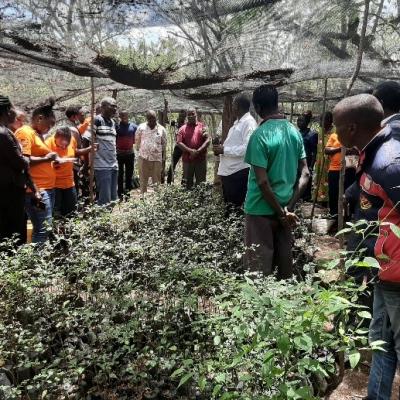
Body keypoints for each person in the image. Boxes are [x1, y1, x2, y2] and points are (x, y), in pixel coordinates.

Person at [334, 93, 400, 400]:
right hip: (383, 270)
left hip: (396, 273)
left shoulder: (388, 163)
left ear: (351, 128)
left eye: (336, 126)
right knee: (380, 343)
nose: (334, 134)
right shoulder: (374, 154)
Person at [244, 85, 310, 278]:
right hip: (285, 211)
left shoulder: (259, 135)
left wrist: (281, 213)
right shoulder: (293, 132)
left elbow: (263, 183)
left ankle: (258, 307)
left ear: (257, 107)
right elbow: (305, 174)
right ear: (276, 103)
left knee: (258, 270)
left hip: (259, 211)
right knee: (284, 268)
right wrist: (287, 208)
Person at [16, 98, 58, 243]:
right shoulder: (25, 133)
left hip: (46, 189)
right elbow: (23, 161)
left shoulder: (36, 134)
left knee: (45, 228)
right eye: (50, 124)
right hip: (36, 193)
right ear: (40, 118)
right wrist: (47, 159)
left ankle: (40, 260)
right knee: (42, 229)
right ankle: (36, 263)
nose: (50, 128)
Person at [213, 94, 257, 210]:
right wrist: (221, 149)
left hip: (238, 173)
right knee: (229, 207)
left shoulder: (249, 123)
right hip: (230, 172)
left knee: (235, 209)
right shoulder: (238, 123)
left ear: (237, 106)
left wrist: (224, 150)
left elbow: (248, 148)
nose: (231, 107)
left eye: (233, 105)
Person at [0, 96, 33, 244]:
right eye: (13, 108)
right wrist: (26, 159)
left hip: (7, 188)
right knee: (13, 230)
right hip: (10, 190)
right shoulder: (3, 134)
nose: (15, 112)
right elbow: (20, 162)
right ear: (7, 111)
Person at [46, 127, 93, 216]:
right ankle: (58, 229)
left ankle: (69, 229)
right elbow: (43, 162)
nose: (64, 147)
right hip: (54, 184)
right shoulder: (48, 143)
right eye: (61, 144)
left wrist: (89, 149)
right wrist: (54, 163)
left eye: (66, 145)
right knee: (56, 212)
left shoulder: (72, 140)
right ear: (56, 137)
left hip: (69, 182)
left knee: (71, 211)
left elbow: (75, 152)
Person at [91, 97, 118, 206]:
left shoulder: (113, 122)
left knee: (113, 198)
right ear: (103, 107)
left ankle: (109, 220)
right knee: (104, 199)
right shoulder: (97, 120)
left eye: (116, 106)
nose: (115, 108)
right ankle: (103, 221)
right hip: (101, 165)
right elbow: (88, 140)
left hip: (113, 164)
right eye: (112, 106)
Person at [325, 131, 357, 218]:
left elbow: (358, 150)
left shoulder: (354, 135)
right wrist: (340, 149)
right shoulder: (334, 135)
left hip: (349, 169)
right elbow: (327, 150)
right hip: (334, 169)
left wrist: (351, 150)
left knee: (349, 193)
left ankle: (349, 215)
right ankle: (334, 214)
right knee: (333, 193)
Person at [177, 108, 210, 189]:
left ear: (196, 114)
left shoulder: (203, 127)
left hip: (200, 160)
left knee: (201, 184)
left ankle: (201, 201)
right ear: (187, 116)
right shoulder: (182, 129)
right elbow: (179, 142)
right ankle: (188, 201)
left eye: (193, 114)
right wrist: (190, 151)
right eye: (189, 114)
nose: (191, 116)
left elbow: (208, 140)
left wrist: (198, 151)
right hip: (187, 161)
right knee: (187, 183)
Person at [136, 110, 167, 194]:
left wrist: (162, 157)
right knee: (143, 180)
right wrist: (141, 151)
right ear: (146, 118)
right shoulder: (141, 127)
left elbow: (164, 144)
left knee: (156, 180)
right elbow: (137, 141)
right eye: (149, 118)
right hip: (143, 158)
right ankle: (143, 199)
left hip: (156, 159)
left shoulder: (162, 129)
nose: (152, 120)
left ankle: (157, 200)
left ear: (156, 117)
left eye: (153, 118)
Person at [313, 112, 334, 205]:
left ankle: (328, 200)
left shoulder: (335, 131)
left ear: (330, 121)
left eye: (323, 120)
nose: (321, 122)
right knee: (319, 179)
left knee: (329, 180)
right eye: (320, 120)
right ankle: (320, 199)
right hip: (320, 159)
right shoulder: (320, 131)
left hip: (331, 160)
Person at [297, 111, 318, 201]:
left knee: (306, 179)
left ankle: (306, 198)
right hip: (297, 161)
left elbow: (314, 152)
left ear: (307, 122)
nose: (299, 123)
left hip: (307, 160)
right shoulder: (296, 133)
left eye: (301, 121)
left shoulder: (312, 134)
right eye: (298, 121)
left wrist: (311, 165)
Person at [116, 110, 137, 197]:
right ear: (119, 116)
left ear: (128, 115)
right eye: (121, 115)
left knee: (129, 174)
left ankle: (128, 193)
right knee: (120, 174)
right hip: (119, 154)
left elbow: (137, 138)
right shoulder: (116, 126)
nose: (123, 117)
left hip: (130, 154)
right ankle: (120, 193)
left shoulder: (134, 126)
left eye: (125, 115)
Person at [167, 110, 186, 184]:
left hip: (185, 147)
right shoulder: (175, 123)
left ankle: (183, 183)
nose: (181, 117)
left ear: (185, 117)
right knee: (172, 164)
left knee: (186, 166)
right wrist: (166, 108)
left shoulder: (186, 125)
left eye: (183, 116)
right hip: (178, 147)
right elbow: (166, 120)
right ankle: (169, 182)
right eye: (180, 115)